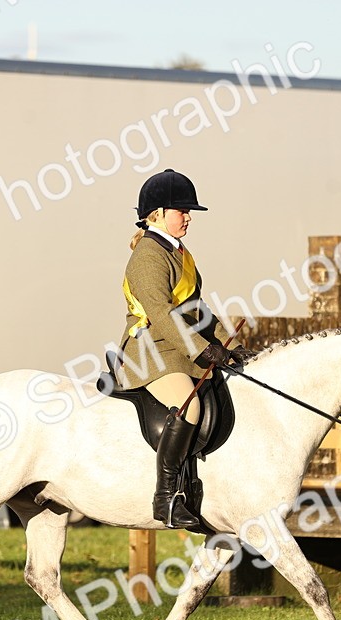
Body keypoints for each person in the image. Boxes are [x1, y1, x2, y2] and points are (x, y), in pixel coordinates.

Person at [115, 169, 251, 528]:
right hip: (149, 351)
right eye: (182, 211)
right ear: (157, 213)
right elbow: (160, 313)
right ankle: (166, 499)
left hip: (177, 349)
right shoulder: (147, 255)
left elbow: (197, 309)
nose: (188, 217)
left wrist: (232, 347)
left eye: (189, 212)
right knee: (188, 407)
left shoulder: (180, 253)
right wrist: (204, 351)